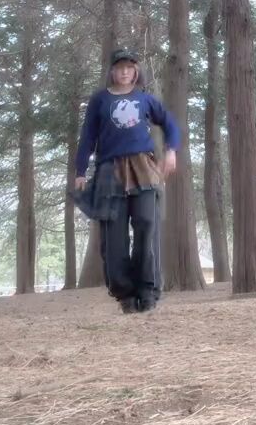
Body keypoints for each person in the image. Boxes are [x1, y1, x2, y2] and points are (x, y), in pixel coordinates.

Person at [74, 48, 179, 314]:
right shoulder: (100, 100)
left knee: (147, 224)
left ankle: (148, 292)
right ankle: (126, 296)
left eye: (129, 67)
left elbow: (169, 123)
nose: (124, 72)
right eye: (120, 67)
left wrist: (171, 151)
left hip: (143, 167)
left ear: (135, 71)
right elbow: (87, 136)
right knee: (114, 235)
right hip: (110, 170)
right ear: (112, 71)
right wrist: (80, 171)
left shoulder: (145, 99)